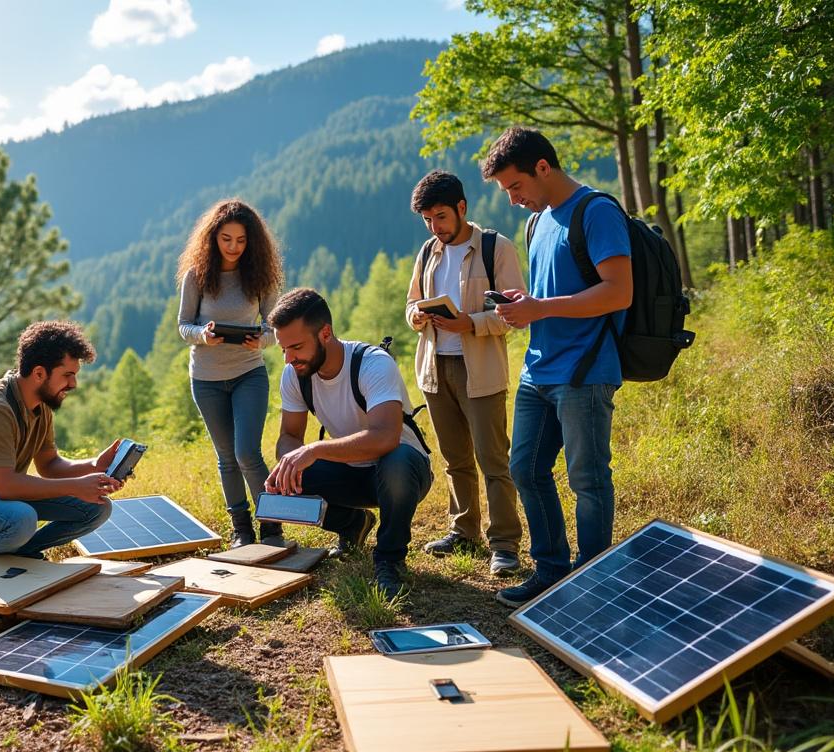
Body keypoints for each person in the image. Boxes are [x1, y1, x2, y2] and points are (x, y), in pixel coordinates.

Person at [482, 126, 632, 607]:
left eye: (515, 187)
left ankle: (593, 580)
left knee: (587, 478)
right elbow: (553, 292)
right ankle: (551, 571)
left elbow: (617, 292)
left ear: (542, 167)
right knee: (524, 468)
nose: (512, 199)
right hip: (538, 370)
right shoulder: (536, 221)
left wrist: (540, 308)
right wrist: (524, 305)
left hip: (585, 373)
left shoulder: (597, 211)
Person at [265, 288, 433, 598]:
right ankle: (352, 524)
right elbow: (289, 436)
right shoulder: (295, 374)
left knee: (396, 463)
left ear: (325, 333)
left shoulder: (373, 364)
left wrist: (314, 450)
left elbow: (386, 437)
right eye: (283, 349)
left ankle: (389, 560)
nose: (289, 358)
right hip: (352, 472)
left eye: (297, 347)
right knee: (288, 472)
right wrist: (288, 462)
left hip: (404, 470)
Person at [404, 170, 525, 577]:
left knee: (493, 459)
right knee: (455, 458)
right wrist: (418, 316)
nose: (435, 227)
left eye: (440, 217)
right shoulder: (427, 252)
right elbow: (410, 305)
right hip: (435, 369)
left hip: (481, 369)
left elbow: (513, 315)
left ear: (461, 208)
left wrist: (470, 323)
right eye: (427, 220)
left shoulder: (495, 248)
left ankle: (505, 544)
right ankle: (463, 531)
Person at [0, 321, 117, 563]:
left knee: (97, 508)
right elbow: (6, 486)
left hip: (1, 496)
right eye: (67, 375)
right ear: (39, 373)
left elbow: (49, 465)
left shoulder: (41, 405)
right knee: (21, 518)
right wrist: (75, 486)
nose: (73, 384)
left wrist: (95, 466)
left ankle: (20, 553)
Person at [177, 199, 285, 548]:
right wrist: (203, 335)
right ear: (213, 237)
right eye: (226, 239)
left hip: (248, 373)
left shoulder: (261, 276)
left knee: (247, 453)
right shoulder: (196, 274)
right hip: (206, 379)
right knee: (226, 458)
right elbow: (183, 326)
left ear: (252, 240)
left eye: (241, 240)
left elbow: (275, 327)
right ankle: (241, 529)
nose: (234, 247)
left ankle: (272, 526)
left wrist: (261, 341)